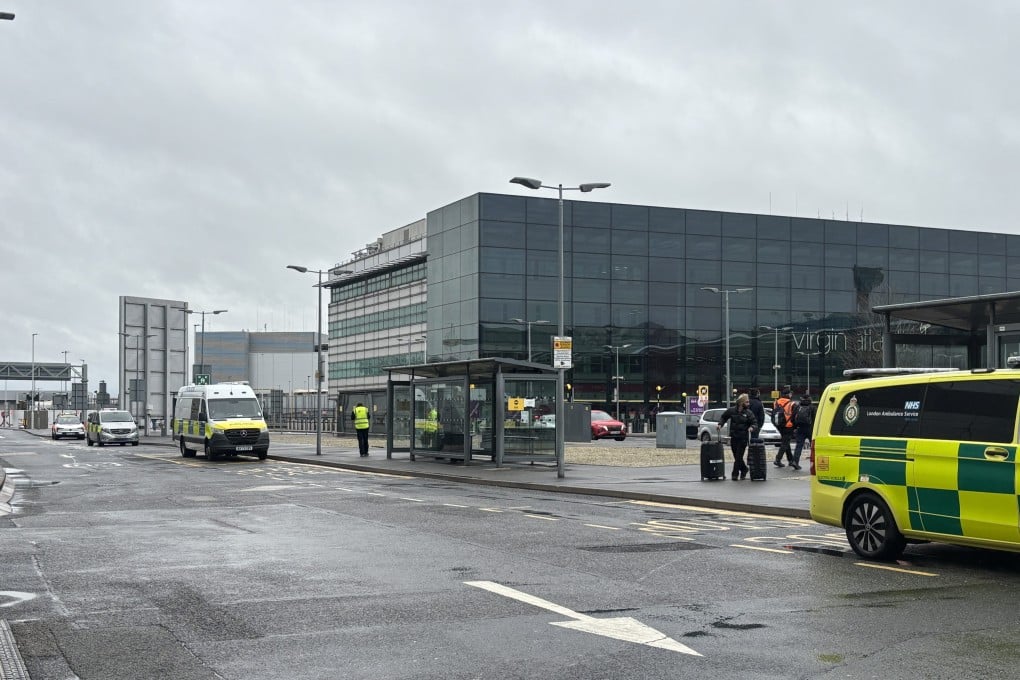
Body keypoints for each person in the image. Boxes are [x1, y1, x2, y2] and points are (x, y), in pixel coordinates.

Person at [718, 393, 759, 481]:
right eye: (747, 402)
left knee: (738, 456)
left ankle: (735, 474)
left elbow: (754, 423)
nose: (748, 404)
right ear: (741, 403)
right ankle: (744, 469)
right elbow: (724, 417)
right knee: (736, 456)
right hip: (734, 437)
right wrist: (720, 424)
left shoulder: (749, 413)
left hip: (743, 438)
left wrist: (752, 427)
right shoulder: (732, 410)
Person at [773, 386, 796, 467]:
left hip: (779, 425)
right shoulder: (792, 403)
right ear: (789, 394)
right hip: (788, 425)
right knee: (785, 443)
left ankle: (790, 460)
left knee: (786, 442)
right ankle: (777, 459)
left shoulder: (776, 402)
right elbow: (794, 416)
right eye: (790, 394)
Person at [790, 394, 814, 470]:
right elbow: (816, 418)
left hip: (800, 428)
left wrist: (795, 427)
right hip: (810, 429)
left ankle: (795, 462)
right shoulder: (812, 407)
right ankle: (815, 463)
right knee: (813, 446)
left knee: (799, 446)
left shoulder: (797, 407)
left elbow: (792, 418)